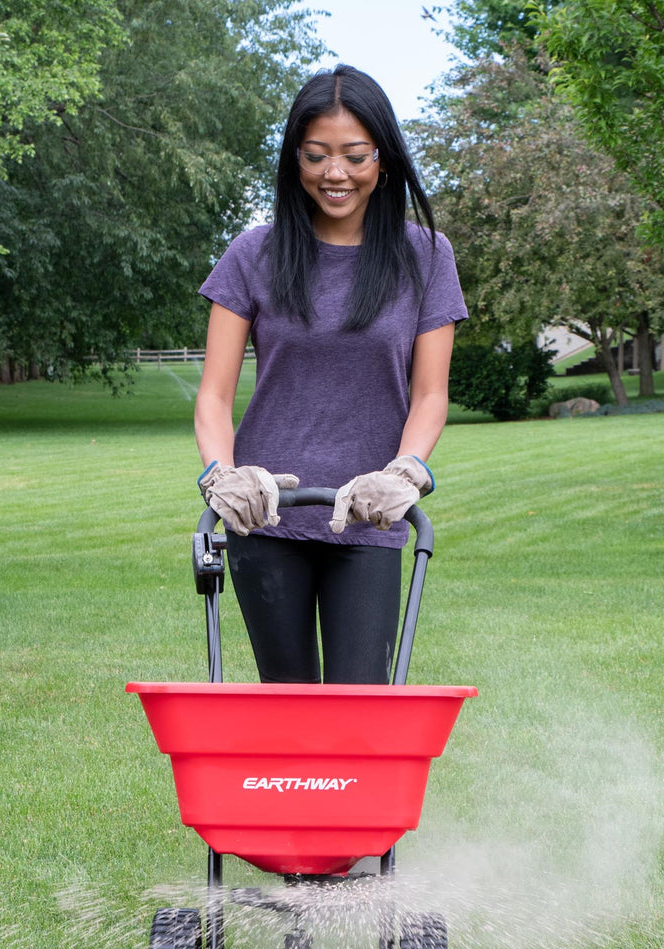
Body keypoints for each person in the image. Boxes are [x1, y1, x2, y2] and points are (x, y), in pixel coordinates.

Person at [193, 64, 467, 685]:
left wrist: (407, 472)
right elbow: (213, 396)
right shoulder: (254, 254)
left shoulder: (426, 256)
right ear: (296, 160)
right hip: (264, 515)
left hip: (372, 515)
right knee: (286, 700)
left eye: (353, 155)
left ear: (384, 160)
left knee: (361, 703)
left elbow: (430, 395)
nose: (334, 173)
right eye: (316, 155)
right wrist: (220, 477)